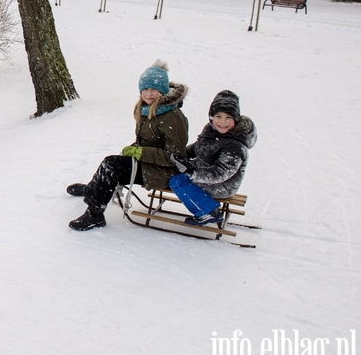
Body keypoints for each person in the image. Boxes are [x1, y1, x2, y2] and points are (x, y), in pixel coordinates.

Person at [67, 60, 189, 231]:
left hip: (163, 171)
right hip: (150, 164)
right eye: (145, 89)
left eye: (154, 89)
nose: (149, 93)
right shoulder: (147, 110)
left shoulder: (172, 117)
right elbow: (147, 142)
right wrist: (135, 149)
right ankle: (93, 189)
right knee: (112, 163)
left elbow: (176, 157)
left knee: (112, 165)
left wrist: (140, 152)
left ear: (162, 91)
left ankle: (95, 214)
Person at [167, 90, 257, 225]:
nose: (222, 122)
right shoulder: (210, 131)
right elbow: (199, 147)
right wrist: (180, 154)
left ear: (236, 119)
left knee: (178, 181)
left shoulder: (235, 146)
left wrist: (192, 173)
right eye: (218, 116)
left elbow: (220, 173)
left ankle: (208, 211)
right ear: (211, 117)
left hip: (224, 185)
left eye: (228, 118)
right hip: (204, 173)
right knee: (172, 173)